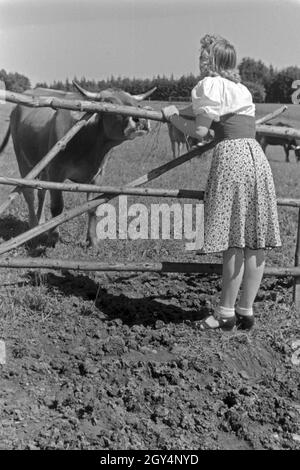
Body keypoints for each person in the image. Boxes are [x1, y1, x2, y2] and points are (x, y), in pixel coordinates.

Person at [162, 34, 281, 331]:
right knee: (255, 242)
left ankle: (225, 314)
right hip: (256, 158)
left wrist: (173, 119)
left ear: (208, 60)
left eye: (202, 55)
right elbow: (217, 113)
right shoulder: (241, 89)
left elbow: (202, 130)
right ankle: (245, 311)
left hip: (232, 159)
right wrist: (184, 111)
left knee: (233, 241)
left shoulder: (208, 85)